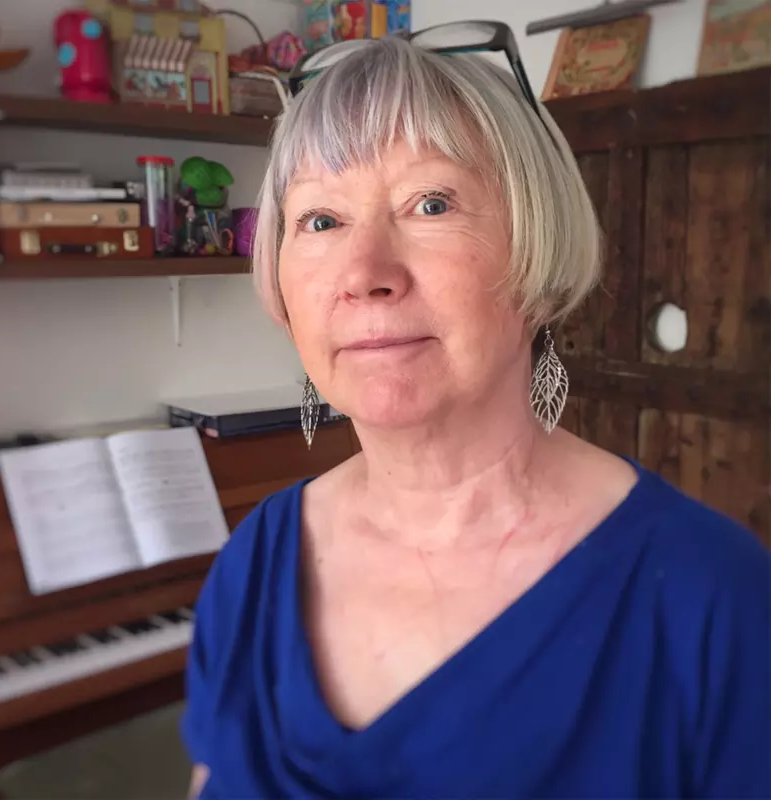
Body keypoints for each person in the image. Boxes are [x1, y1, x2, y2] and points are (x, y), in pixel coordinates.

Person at [182, 26, 771, 799]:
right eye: (321, 220)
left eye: (431, 204)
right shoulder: (254, 564)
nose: (364, 274)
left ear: (536, 249)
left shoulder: (717, 601)